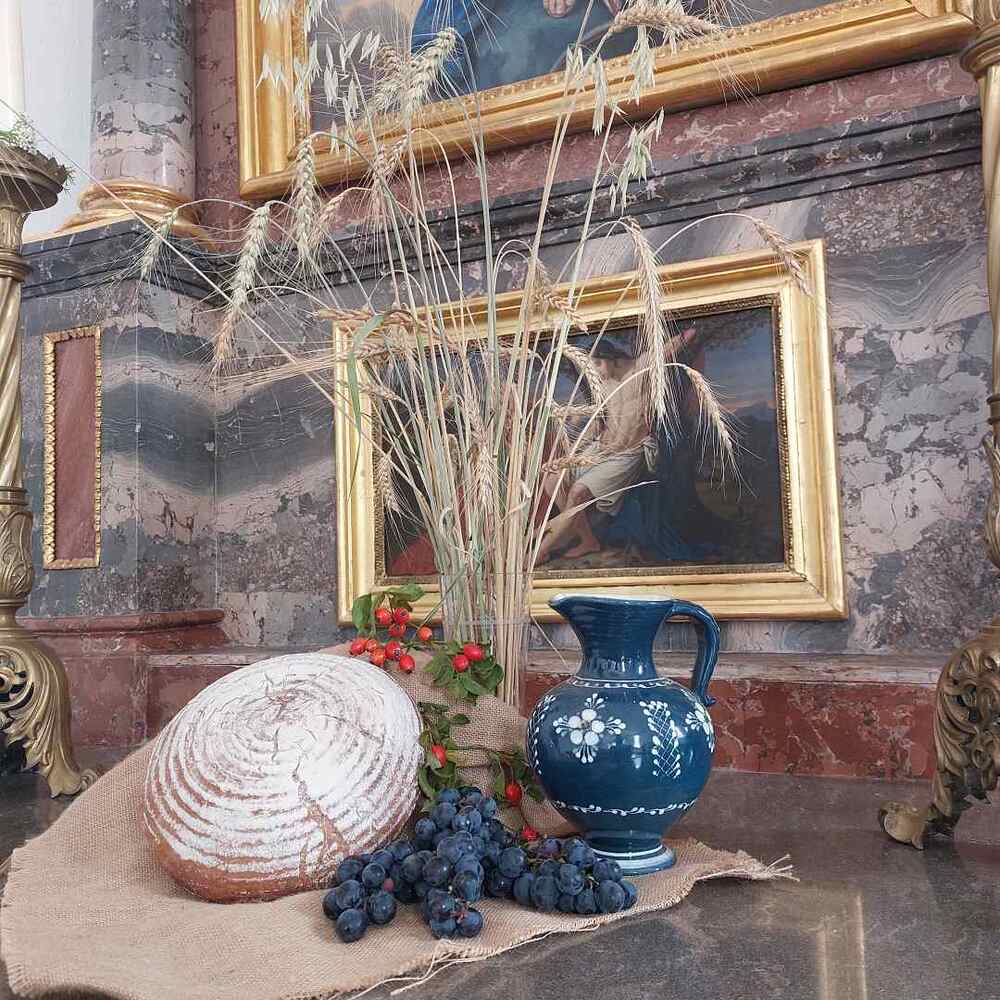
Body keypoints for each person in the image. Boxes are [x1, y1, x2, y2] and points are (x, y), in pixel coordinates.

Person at [536, 326, 698, 565]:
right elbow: (598, 422)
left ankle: (540, 551)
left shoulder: (639, 369)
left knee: (578, 492)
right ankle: (588, 539)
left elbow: (672, 346)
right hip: (601, 448)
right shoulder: (601, 383)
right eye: (591, 367)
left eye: (598, 364)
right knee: (552, 478)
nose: (596, 371)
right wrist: (573, 453)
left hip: (626, 453)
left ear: (611, 358)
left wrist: (690, 332)